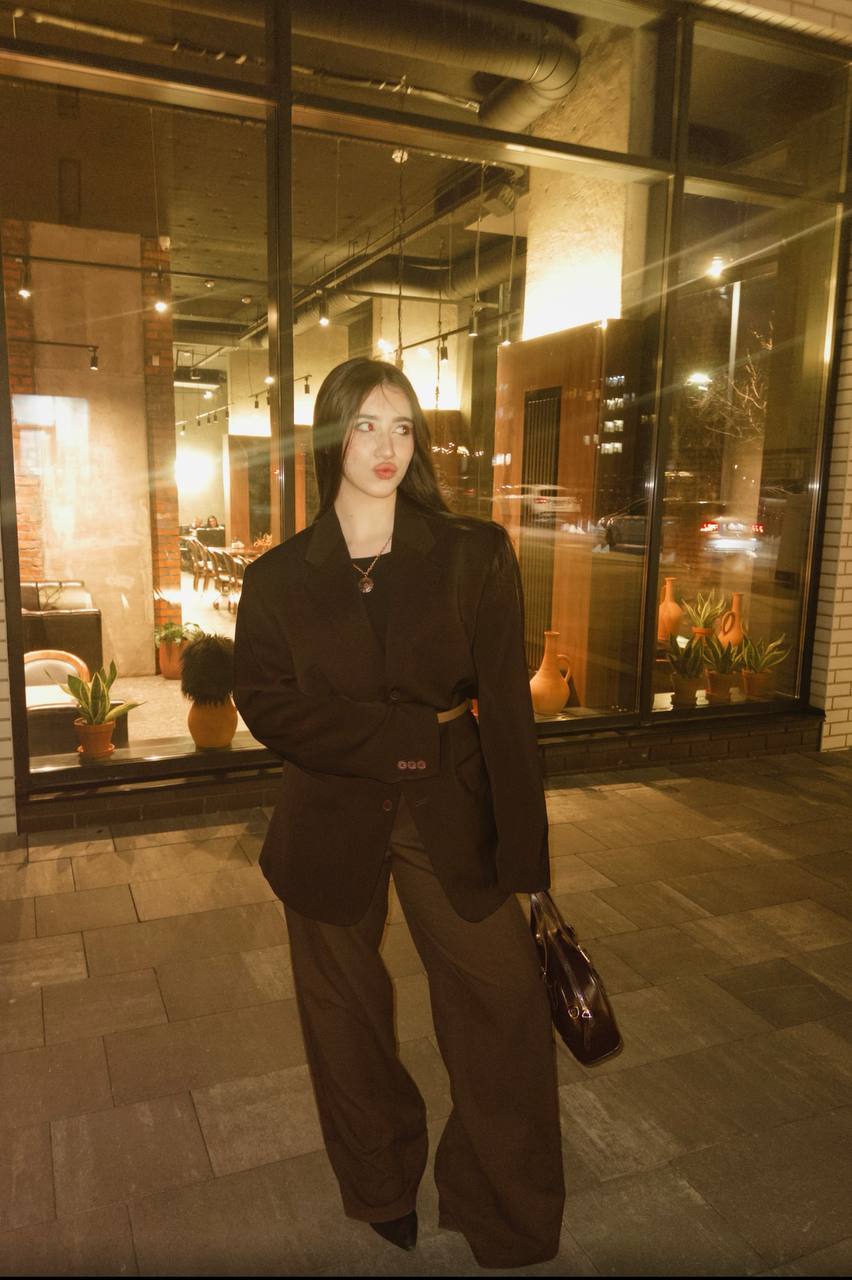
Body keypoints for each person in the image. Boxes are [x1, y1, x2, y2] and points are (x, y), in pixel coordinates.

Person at [233, 357, 564, 1269]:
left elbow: (509, 711)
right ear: (331, 439)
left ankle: (501, 1202)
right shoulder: (277, 579)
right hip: (326, 813)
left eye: (403, 427)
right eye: (366, 426)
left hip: (450, 806)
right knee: (343, 1013)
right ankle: (379, 1182)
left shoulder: (472, 552)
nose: (387, 447)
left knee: (503, 1002)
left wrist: (527, 861)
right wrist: (395, 738)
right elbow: (264, 702)